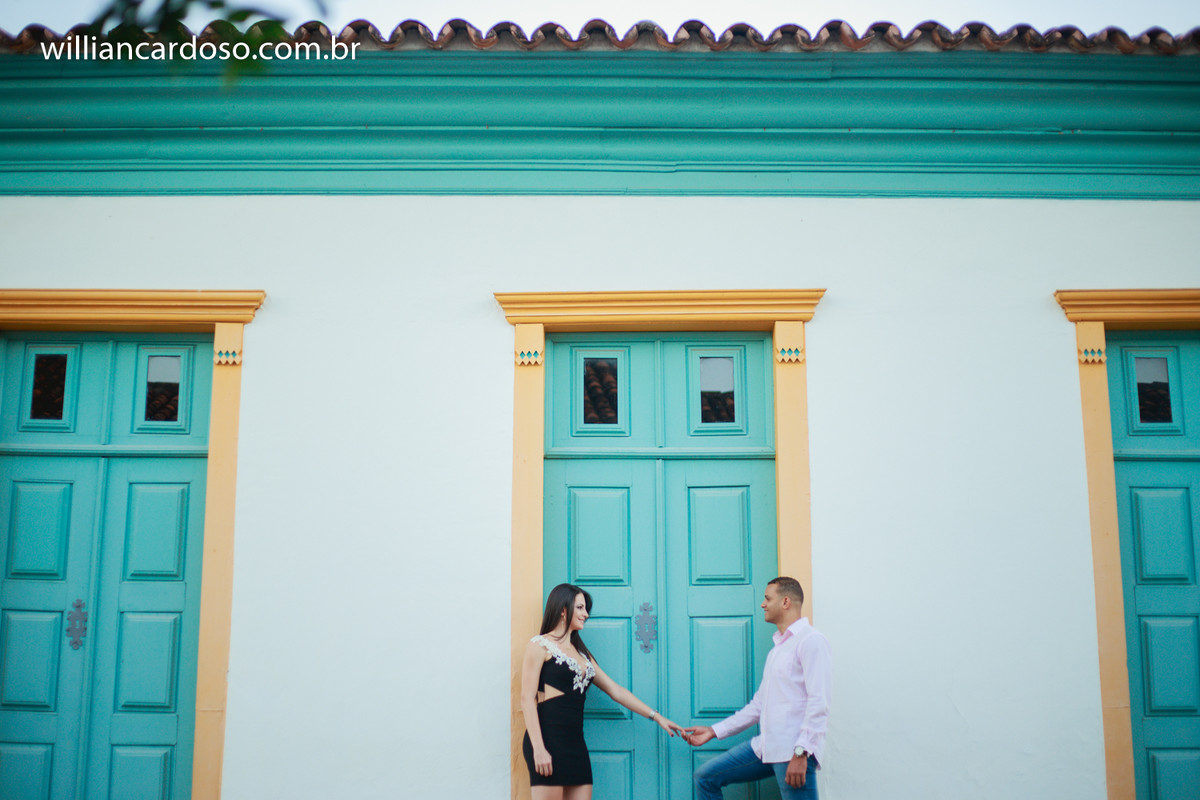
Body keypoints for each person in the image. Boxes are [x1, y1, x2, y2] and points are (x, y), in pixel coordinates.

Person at [522, 583, 684, 799]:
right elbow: (527, 699)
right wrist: (539, 749)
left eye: (585, 609)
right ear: (563, 609)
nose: (586, 614)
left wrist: (657, 717)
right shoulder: (539, 645)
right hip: (547, 740)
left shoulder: (583, 654)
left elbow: (615, 690)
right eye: (580, 608)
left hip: (575, 744)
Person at [683, 577, 831, 800]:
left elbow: (819, 702)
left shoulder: (811, 641)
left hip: (792, 751)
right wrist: (714, 731)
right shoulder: (777, 650)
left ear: (786, 602)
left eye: (767, 598)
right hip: (764, 748)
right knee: (705, 777)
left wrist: (801, 753)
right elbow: (757, 706)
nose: (762, 604)